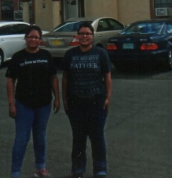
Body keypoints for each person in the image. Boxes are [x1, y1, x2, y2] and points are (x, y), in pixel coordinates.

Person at [6, 24, 60, 178]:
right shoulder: (18, 57)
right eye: (30, 37)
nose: (33, 39)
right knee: (21, 139)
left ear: (40, 39)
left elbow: (53, 77)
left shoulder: (46, 55)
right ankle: (15, 172)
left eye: (36, 37)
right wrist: (11, 104)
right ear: (25, 38)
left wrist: (57, 98)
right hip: (23, 105)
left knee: (40, 137)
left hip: (43, 105)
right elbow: (10, 81)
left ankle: (40, 168)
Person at [62, 21, 112, 178]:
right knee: (78, 138)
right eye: (82, 34)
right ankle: (78, 170)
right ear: (78, 36)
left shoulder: (100, 53)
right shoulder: (70, 54)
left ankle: (100, 169)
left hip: (96, 101)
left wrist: (108, 97)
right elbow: (65, 78)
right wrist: (64, 98)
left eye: (87, 34)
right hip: (76, 102)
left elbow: (107, 76)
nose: (84, 36)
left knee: (97, 137)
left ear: (92, 36)